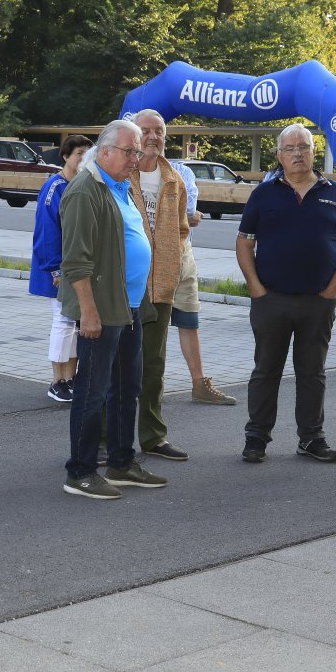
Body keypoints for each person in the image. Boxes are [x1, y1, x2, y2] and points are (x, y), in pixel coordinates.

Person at [237, 124, 336, 465]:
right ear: (279, 155)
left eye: (303, 147)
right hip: (271, 299)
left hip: (318, 301)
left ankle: (311, 438)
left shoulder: (334, 193)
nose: (297, 153)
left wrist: (333, 290)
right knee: (266, 370)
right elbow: (244, 242)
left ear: (313, 151)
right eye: (289, 148)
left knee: (312, 372)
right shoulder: (264, 193)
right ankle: (256, 437)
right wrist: (256, 288)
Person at [58, 120, 165, 500]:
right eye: (130, 151)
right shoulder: (85, 190)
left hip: (129, 307)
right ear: (104, 151)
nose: (136, 158)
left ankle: (121, 462)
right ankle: (80, 471)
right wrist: (88, 312)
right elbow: (75, 261)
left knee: (126, 388)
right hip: (101, 310)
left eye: (138, 151)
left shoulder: (120, 187)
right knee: (93, 392)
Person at [129, 110, 190, 463]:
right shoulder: (120, 173)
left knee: (153, 367)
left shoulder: (173, 179)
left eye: (159, 131)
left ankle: (153, 436)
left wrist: (172, 264)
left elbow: (182, 229)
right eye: (145, 131)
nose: (152, 137)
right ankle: (104, 438)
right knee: (116, 365)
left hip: (161, 288)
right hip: (123, 288)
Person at [29, 134, 92, 403]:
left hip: (77, 267)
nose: (83, 158)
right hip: (56, 268)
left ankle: (72, 376)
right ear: (66, 156)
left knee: (76, 323)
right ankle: (58, 380)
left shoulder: (86, 183)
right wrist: (54, 270)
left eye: (87, 153)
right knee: (63, 322)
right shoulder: (54, 187)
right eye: (79, 153)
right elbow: (47, 232)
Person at [169, 158, 234, 406]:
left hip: (182, 255)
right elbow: (189, 217)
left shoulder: (182, 172)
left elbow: (191, 214)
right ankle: (146, 385)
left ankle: (199, 384)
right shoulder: (133, 170)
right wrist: (184, 216)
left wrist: (183, 217)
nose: (153, 140)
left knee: (189, 319)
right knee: (150, 326)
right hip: (149, 261)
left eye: (160, 137)